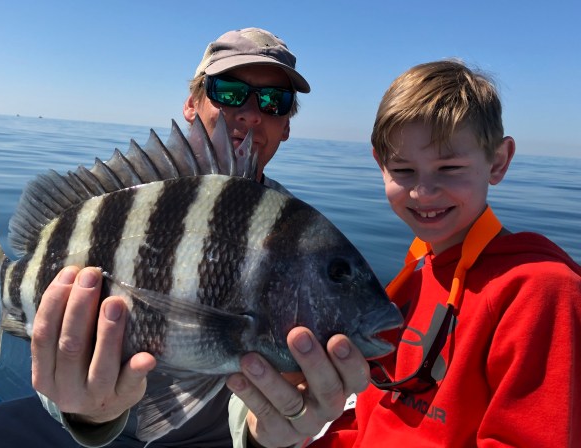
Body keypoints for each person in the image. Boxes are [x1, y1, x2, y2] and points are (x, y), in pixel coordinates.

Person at [0, 28, 370, 448]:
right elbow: (61, 353)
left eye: (273, 101)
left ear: (286, 125)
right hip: (75, 430)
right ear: (191, 103)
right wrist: (84, 414)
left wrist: (269, 435)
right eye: (229, 91)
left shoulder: (301, 240)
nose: (250, 113)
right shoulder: (128, 198)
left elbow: (271, 390)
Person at [229, 59, 581, 447]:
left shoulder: (542, 289)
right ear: (380, 165)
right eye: (404, 170)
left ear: (497, 161)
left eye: (449, 168)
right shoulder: (413, 275)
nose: (423, 192)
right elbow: (372, 419)